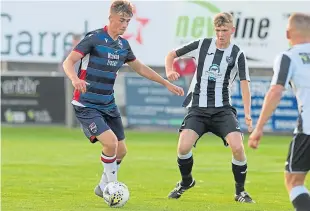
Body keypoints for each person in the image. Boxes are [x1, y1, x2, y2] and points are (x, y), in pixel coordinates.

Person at [62, 0, 184, 199]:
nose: (125, 25)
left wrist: (166, 83)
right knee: (110, 143)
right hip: (86, 104)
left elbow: (141, 68)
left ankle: (102, 187)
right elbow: (69, 61)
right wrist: (75, 79)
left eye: (128, 21)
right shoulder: (94, 38)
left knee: (122, 151)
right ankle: (113, 189)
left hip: (108, 104)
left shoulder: (123, 46)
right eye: (121, 20)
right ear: (110, 18)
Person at [165, 12, 254, 203]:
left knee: (238, 147)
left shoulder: (237, 53)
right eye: (218, 30)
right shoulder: (203, 44)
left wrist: (248, 113)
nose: (221, 35)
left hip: (223, 110)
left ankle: (241, 192)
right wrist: (169, 70)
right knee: (183, 147)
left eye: (225, 30)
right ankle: (186, 182)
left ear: (232, 30)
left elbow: (245, 83)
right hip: (198, 108)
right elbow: (171, 54)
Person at [249, 13, 310, 211]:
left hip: (308, 128)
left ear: (287, 33)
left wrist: (258, 128)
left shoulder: (288, 57)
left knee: (294, 180)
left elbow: (276, 90)